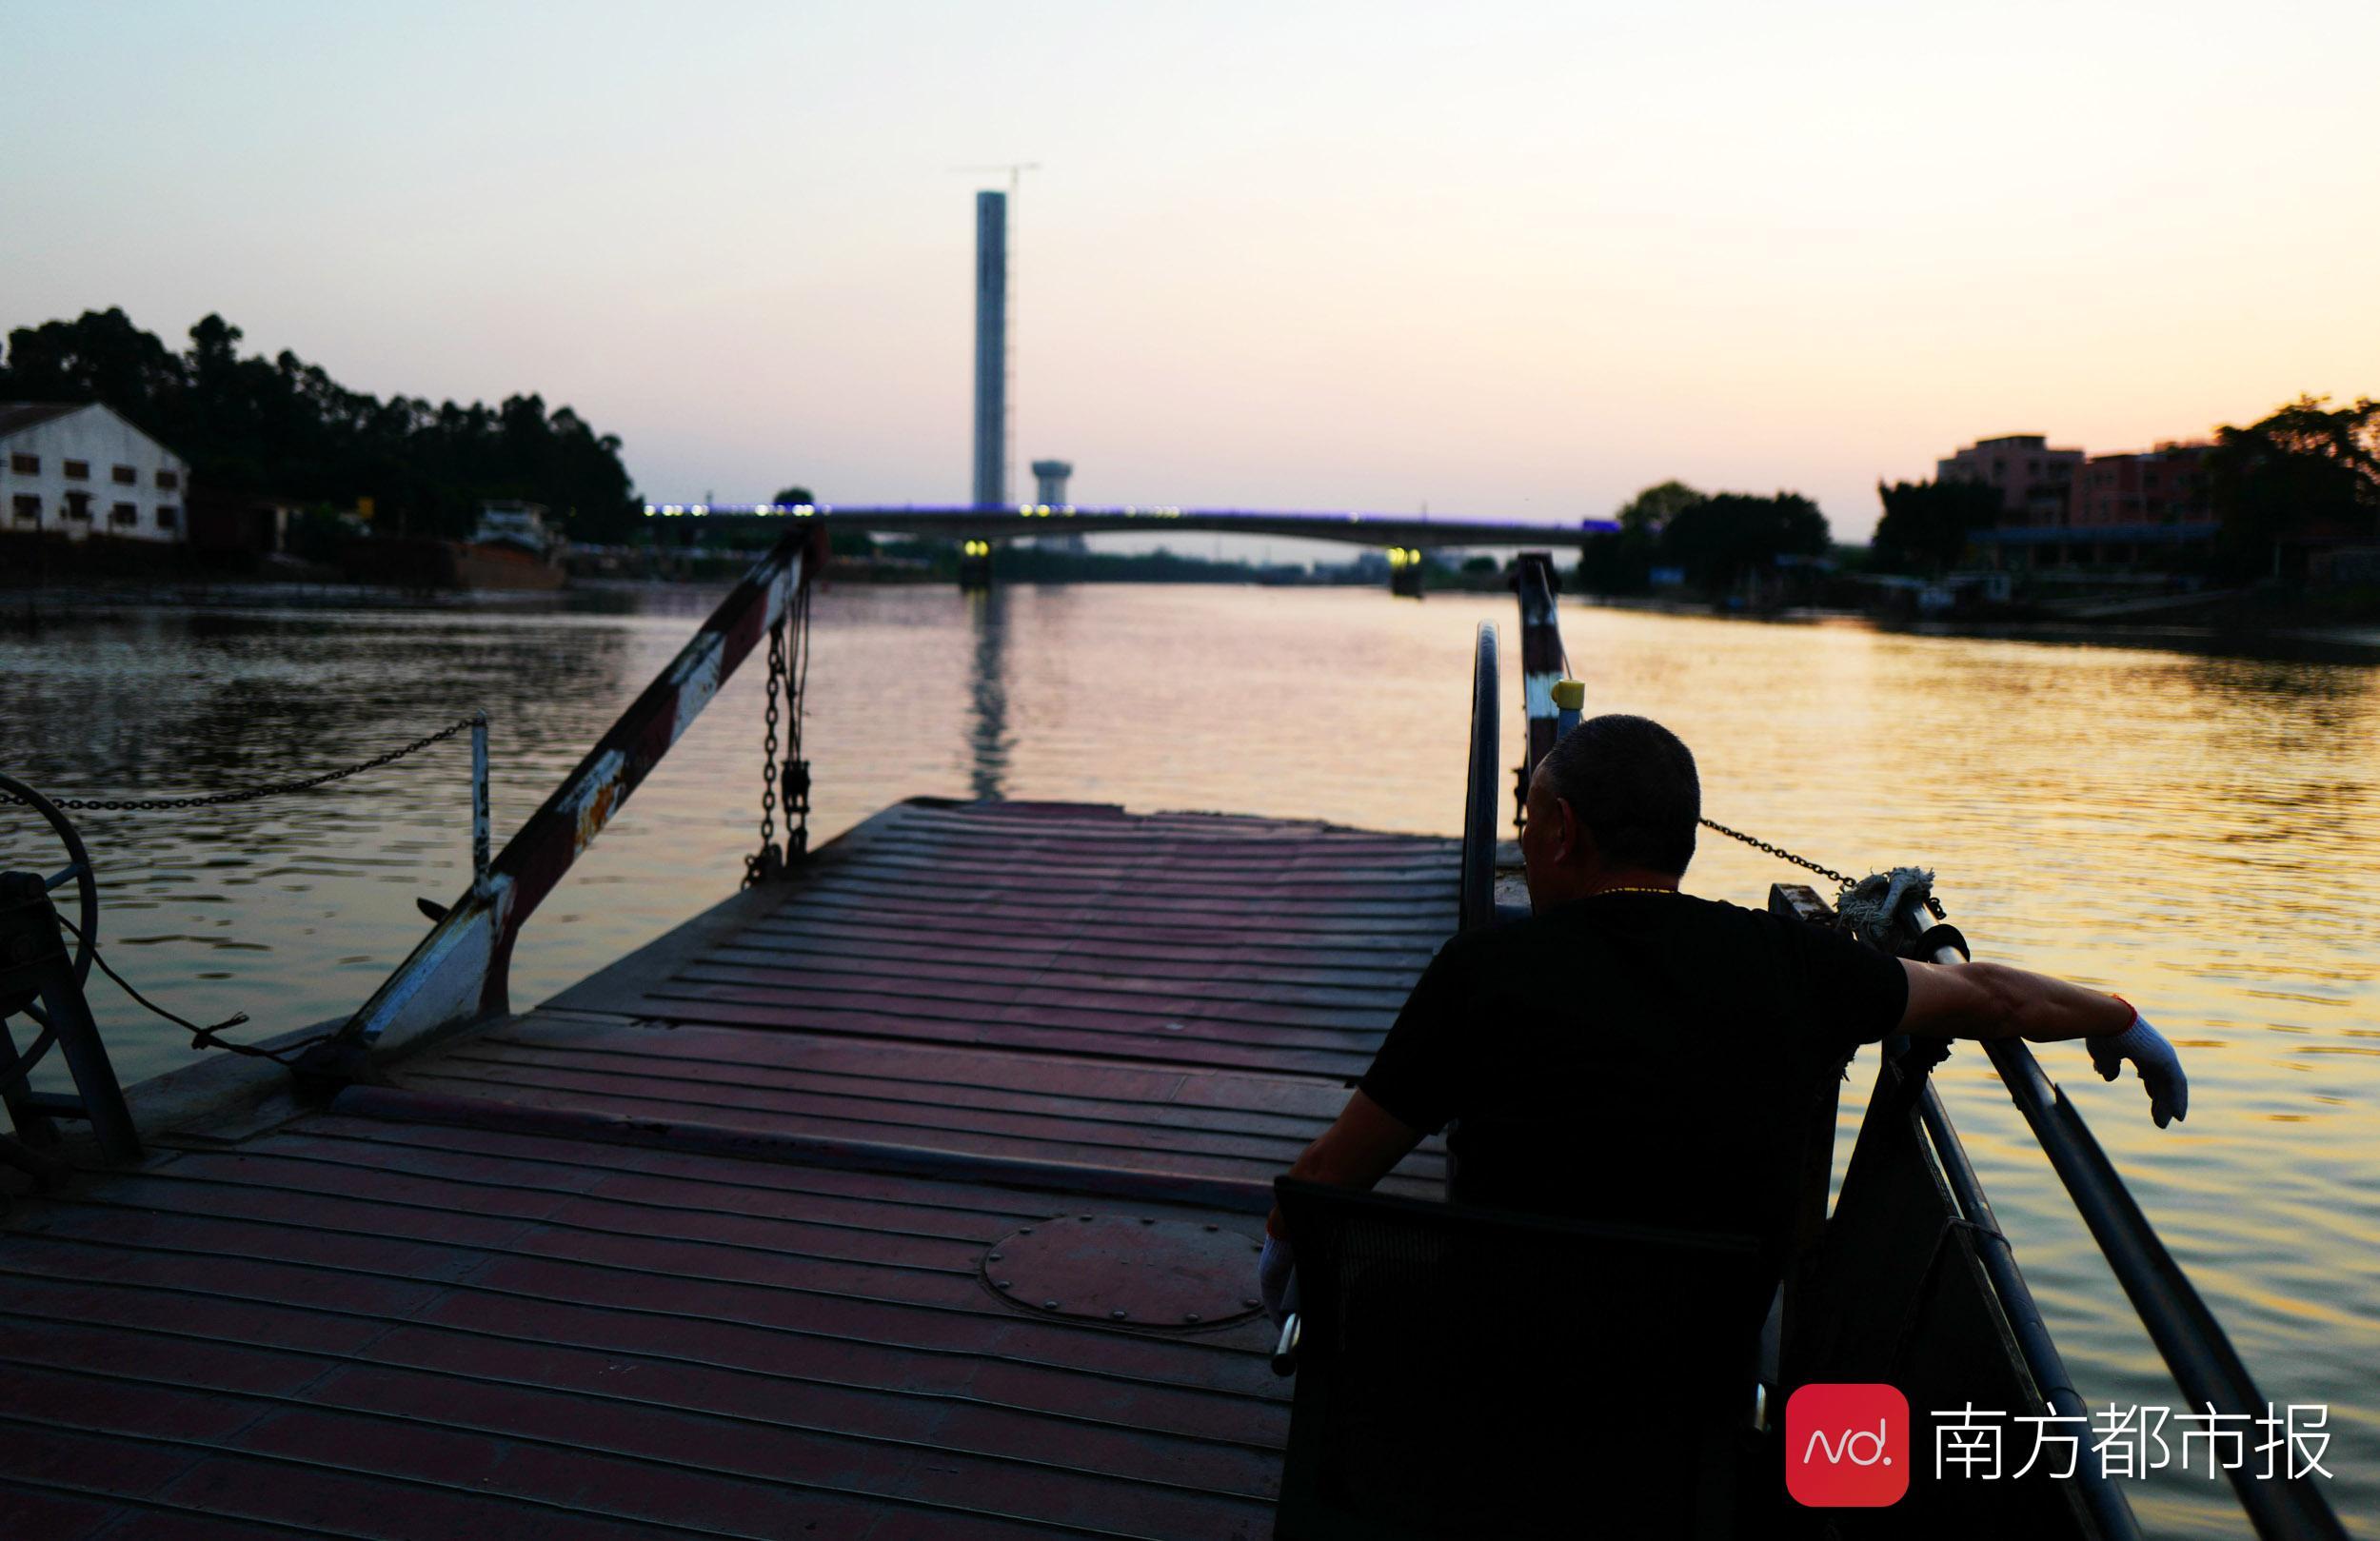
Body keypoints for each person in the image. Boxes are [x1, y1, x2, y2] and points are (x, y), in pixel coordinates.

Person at [1257, 713, 2186, 1320]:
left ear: (1561, 830)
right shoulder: (1798, 962)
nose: (1523, 837)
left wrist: (1280, 1253)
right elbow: (1991, 994)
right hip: (1688, 1386)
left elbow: (1329, 1173)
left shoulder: (1481, 973)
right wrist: (2118, 1018)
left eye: (1526, 817)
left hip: (1495, 1362)